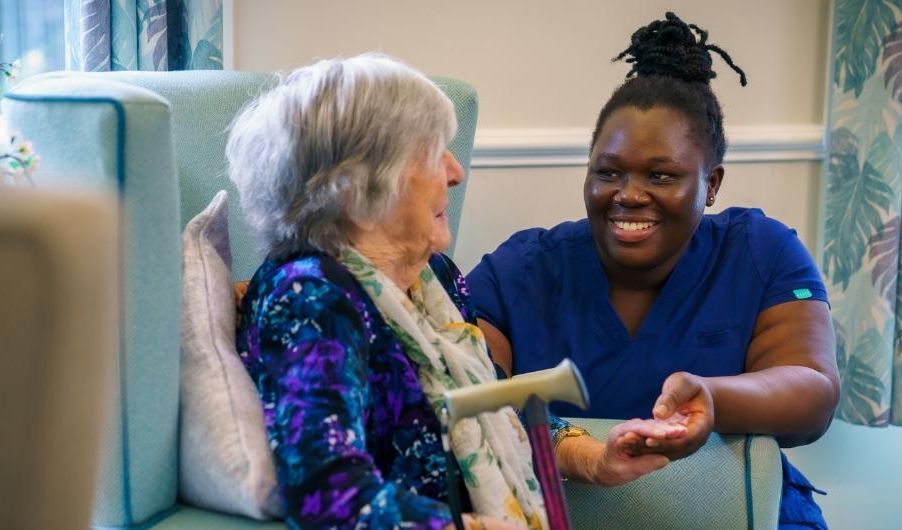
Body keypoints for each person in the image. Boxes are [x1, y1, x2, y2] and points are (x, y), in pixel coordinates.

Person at [226, 53, 678, 530]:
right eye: (432, 154)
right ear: (358, 188)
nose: (456, 172)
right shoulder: (310, 299)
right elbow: (327, 496)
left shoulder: (432, 277)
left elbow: (492, 403)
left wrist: (595, 459)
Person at [466, 13, 841, 529]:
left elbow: (814, 393)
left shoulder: (759, 251)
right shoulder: (521, 270)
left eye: (661, 175)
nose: (628, 195)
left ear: (711, 185)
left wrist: (714, 397)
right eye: (608, 171)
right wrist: (578, 452)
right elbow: (468, 399)